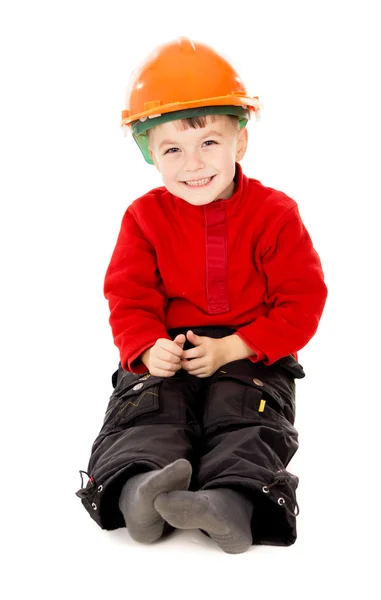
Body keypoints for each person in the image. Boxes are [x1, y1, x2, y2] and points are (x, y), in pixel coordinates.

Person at [76, 37, 328, 554]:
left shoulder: (275, 214)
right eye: (172, 149)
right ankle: (138, 490)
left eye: (209, 142)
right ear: (150, 154)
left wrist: (236, 346)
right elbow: (128, 293)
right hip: (167, 348)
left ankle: (230, 502)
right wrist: (146, 345)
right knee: (149, 410)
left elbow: (302, 302)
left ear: (240, 142)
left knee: (245, 416)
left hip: (251, 352)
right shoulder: (143, 218)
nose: (193, 163)